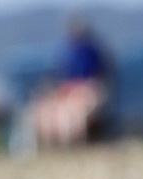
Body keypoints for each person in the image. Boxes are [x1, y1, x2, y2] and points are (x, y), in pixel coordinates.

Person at [32, 17, 112, 149]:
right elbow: (56, 76)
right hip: (67, 91)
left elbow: (100, 75)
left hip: (85, 90)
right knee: (51, 110)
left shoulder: (92, 51)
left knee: (75, 114)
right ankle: (54, 144)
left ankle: (75, 143)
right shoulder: (65, 51)